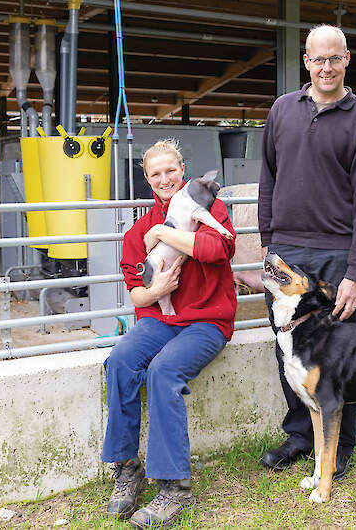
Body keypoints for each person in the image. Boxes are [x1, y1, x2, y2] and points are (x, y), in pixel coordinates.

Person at [258, 24, 356, 480]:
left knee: (342, 351)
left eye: (334, 58)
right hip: (288, 251)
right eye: (318, 59)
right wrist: (268, 241)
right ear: (305, 61)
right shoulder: (281, 110)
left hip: (337, 255)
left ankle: (341, 445)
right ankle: (300, 436)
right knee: (287, 345)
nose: (326, 67)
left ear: (346, 59)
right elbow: (268, 179)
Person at [102, 138, 237, 529]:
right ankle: (127, 467)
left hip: (207, 321)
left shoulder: (210, 208)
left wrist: (163, 233)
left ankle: (174, 488)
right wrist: (157, 291)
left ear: (183, 170)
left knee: (163, 371)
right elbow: (137, 292)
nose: (165, 179)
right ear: (147, 179)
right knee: (121, 361)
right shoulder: (137, 230)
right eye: (155, 173)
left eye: (171, 170)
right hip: (161, 319)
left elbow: (218, 250)